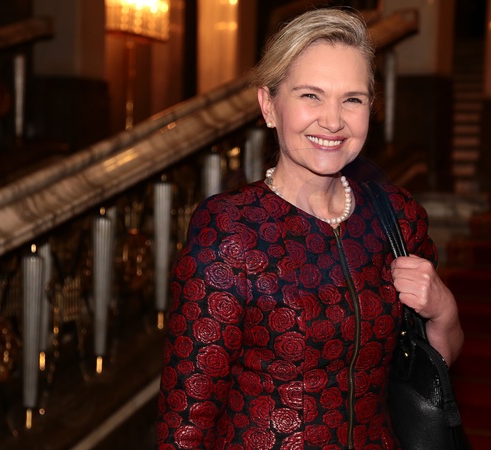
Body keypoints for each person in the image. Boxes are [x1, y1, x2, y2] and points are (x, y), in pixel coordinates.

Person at [155, 7, 464, 449]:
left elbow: (435, 365)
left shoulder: (397, 216)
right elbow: (187, 419)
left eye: (352, 99)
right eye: (310, 96)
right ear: (269, 105)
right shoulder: (231, 229)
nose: (333, 121)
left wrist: (443, 308)